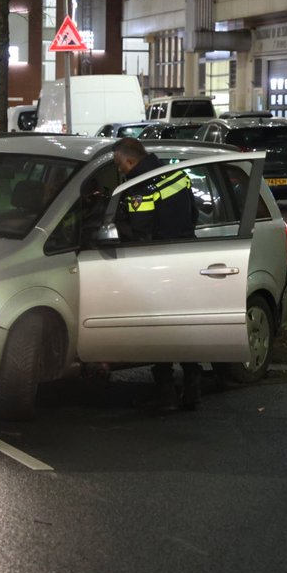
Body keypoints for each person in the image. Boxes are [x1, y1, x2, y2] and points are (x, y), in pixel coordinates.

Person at [111, 137, 203, 411]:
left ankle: (167, 394)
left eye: (119, 165)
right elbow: (194, 214)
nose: (120, 170)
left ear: (128, 161)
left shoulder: (139, 186)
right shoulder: (175, 174)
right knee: (184, 326)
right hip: (188, 257)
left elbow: (141, 233)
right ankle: (193, 389)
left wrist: (117, 224)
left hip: (161, 264)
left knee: (161, 329)